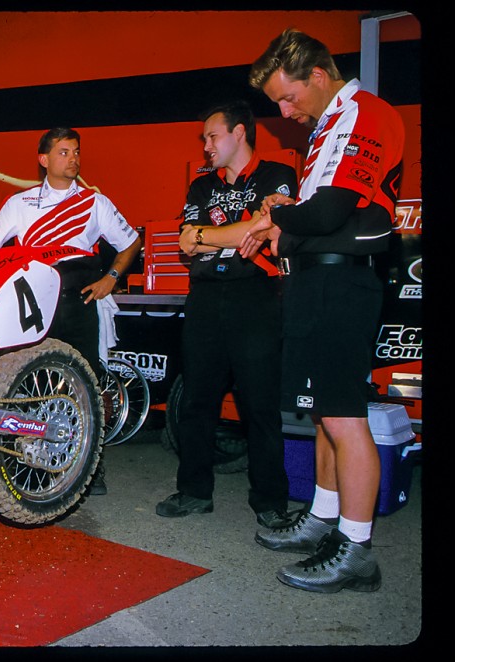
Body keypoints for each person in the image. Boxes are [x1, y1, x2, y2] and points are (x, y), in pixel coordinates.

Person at [239, 29, 405, 593]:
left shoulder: (364, 113)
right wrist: (288, 212)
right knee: (322, 414)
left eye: (288, 98)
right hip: (315, 281)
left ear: (316, 75)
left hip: (342, 280)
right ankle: (322, 519)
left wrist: (277, 218)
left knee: (344, 418)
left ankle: (356, 549)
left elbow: (330, 210)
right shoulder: (329, 125)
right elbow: (315, 211)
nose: (285, 113)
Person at [154, 101, 296, 529]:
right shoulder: (201, 185)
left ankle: (270, 500)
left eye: (213, 136)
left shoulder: (276, 176)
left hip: (256, 298)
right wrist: (237, 231)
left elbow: (261, 228)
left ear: (239, 133)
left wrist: (210, 235)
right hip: (205, 299)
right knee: (197, 401)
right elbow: (186, 242)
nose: (207, 145)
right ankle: (194, 492)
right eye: (204, 139)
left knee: (260, 405)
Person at [0, 127, 142, 496]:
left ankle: (90, 466)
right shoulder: (19, 204)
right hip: (34, 303)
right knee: (27, 382)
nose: (74, 159)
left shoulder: (95, 202)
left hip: (79, 300)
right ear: (44, 159)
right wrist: (11, 271)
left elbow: (131, 242)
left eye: (76, 151)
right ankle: (21, 463)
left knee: (86, 382)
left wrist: (111, 278)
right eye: (64, 152)